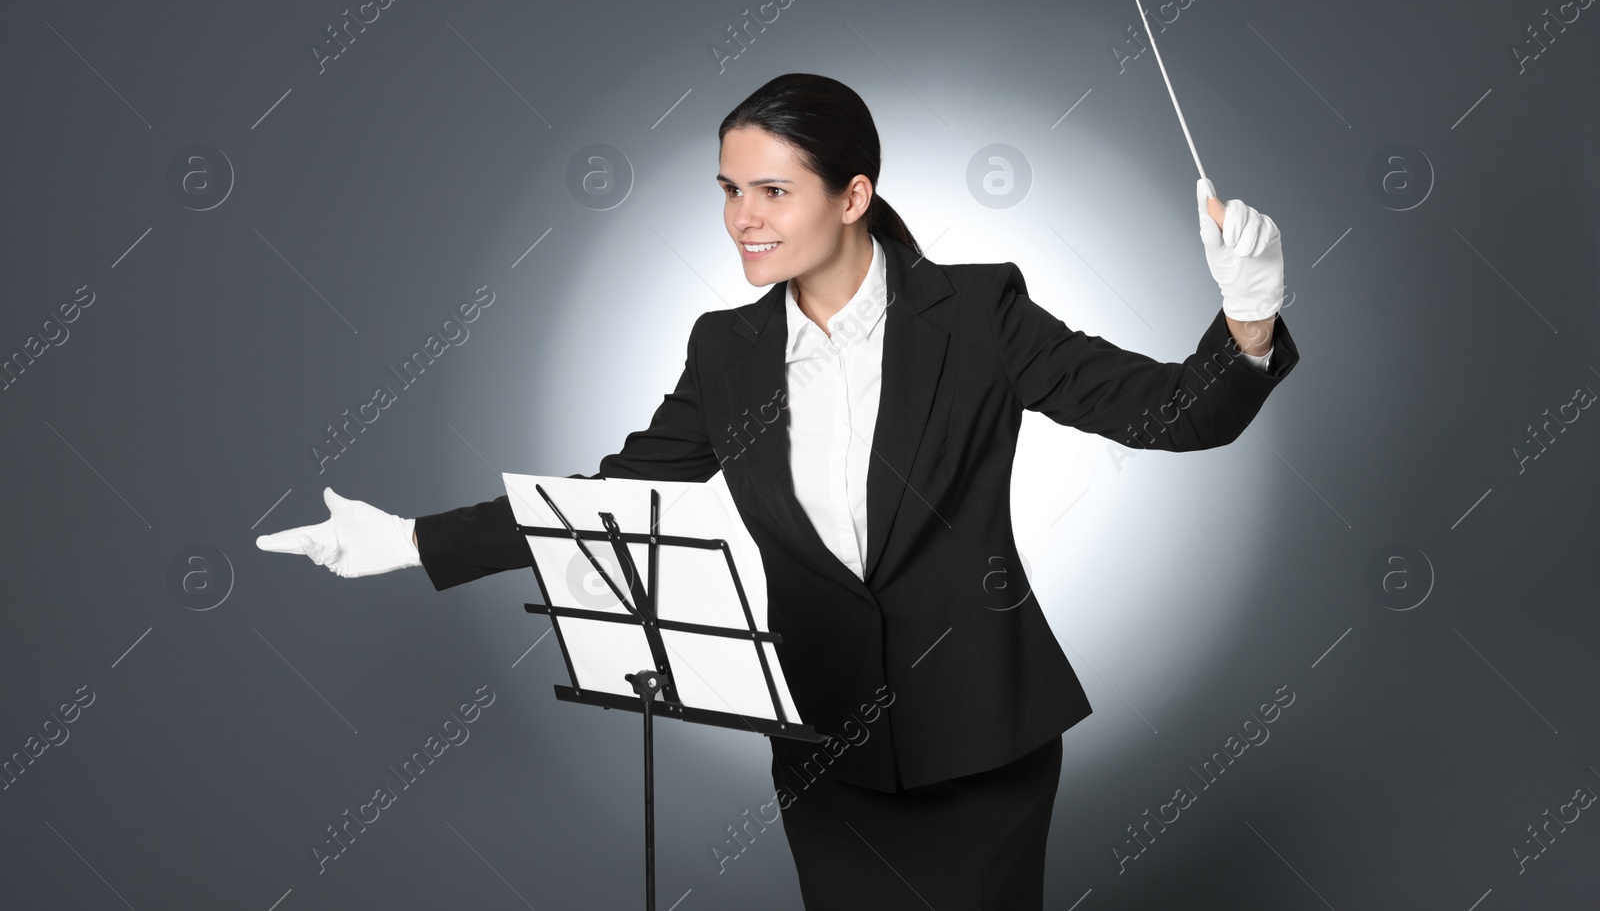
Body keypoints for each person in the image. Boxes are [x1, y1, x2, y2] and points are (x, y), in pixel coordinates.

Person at [258, 73, 1298, 908]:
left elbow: (1169, 414)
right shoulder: (728, 352)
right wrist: (409, 541)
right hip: (826, 748)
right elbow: (610, 498)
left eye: (770, 190)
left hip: (983, 734)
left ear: (852, 196)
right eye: (726, 188)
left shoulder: (977, 311)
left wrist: (1246, 317)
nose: (740, 218)